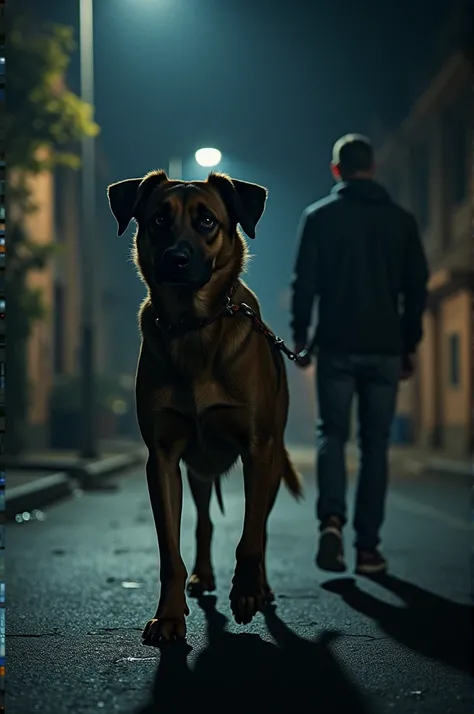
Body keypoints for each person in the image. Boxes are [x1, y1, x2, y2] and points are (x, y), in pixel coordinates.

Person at [290, 133, 429, 575]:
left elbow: (304, 284)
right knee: (375, 446)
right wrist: (409, 343)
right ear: (373, 168)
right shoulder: (402, 222)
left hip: (335, 345)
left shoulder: (319, 217)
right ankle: (368, 548)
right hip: (385, 348)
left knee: (331, 434)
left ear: (336, 170)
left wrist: (300, 338)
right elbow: (415, 288)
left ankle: (331, 520)